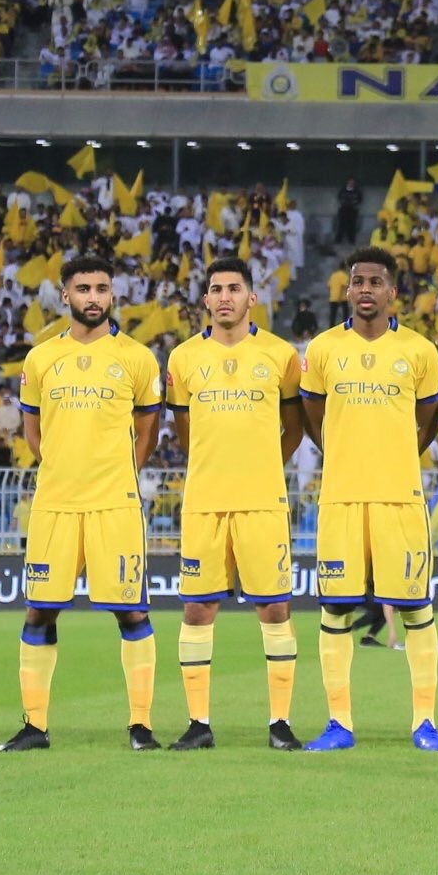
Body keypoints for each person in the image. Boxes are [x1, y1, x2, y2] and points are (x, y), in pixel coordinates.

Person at [0, 255, 167, 752]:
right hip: (54, 505)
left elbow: (148, 430)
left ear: (112, 295)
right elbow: (33, 429)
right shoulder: (40, 358)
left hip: (114, 504)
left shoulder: (136, 356)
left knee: (131, 614)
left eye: (100, 288)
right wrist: (62, 470)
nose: (92, 297)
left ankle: (141, 725)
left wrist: (118, 472)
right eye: (83, 289)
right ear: (65, 295)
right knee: (39, 613)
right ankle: (35, 726)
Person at [298, 247, 438, 752]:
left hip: (399, 497)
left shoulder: (421, 351)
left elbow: (428, 420)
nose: (364, 289)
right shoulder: (321, 350)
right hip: (341, 497)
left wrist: (395, 456)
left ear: (393, 292)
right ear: (347, 289)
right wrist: (347, 452)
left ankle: (424, 723)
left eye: (375, 281)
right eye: (357, 281)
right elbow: (313, 415)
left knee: (415, 609)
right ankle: (339, 723)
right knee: (336, 609)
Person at [162, 257, 307, 751]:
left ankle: (280, 724)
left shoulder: (281, 355)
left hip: (262, 502)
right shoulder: (182, 358)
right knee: (198, 609)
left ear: (252, 297)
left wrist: (262, 461)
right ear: (205, 299)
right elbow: (185, 430)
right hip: (204, 501)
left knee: (274, 607)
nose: (225, 296)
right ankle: (198, 724)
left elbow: (294, 426)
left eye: (235, 288)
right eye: (217, 289)